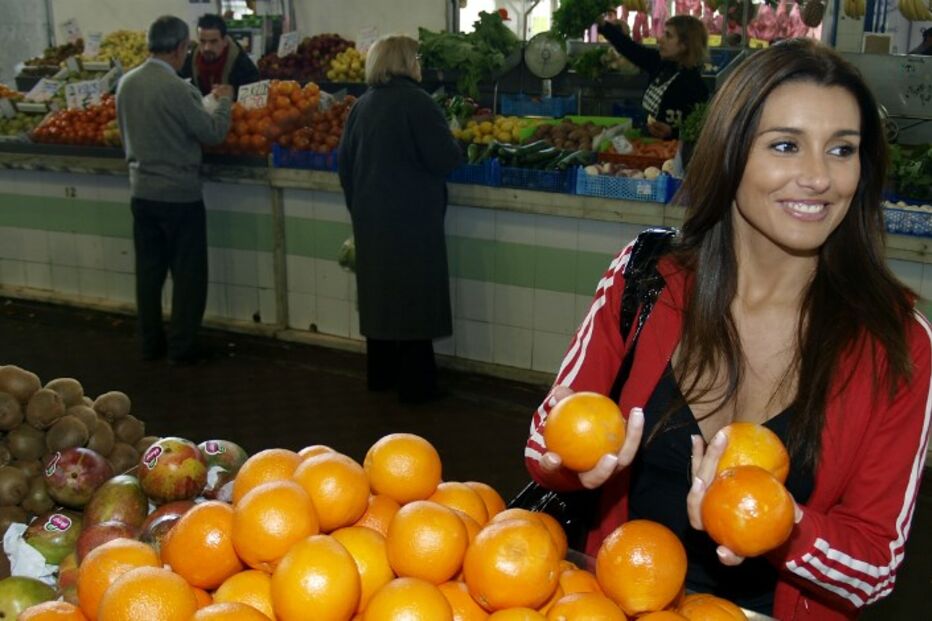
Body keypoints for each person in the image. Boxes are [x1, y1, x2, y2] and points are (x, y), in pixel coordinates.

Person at [524, 39, 931, 620]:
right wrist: (566, 462)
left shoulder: (897, 342)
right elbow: (547, 436)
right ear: (729, 152)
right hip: (619, 602)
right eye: (786, 145)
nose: (819, 177)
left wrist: (782, 523)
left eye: (842, 149)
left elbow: (875, 565)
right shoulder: (646, 276)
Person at [338, 34, 462, 404]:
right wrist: (458, 143)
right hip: (412, 222)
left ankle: (380, 376)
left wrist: (360, 209)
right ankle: (417, 386)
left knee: (380, 300)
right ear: (406, 63)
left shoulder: (362, 105)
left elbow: (344, 166)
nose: (419, 65)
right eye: (416, 59)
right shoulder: (418, 103)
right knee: (414, 303)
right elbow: (444, 158)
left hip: (371, 219)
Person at [116, 16, 233, 365]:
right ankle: (182, 346)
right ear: (181, 47)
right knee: (187, 274)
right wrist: (224, 102)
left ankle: (150, 343)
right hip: (180, 195)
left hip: (141, 191)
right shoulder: (178, 89)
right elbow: (212, 133)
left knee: (149, 274)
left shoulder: (126, 83)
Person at [598, 14, 708, 139]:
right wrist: (603, 26)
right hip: (647, 144)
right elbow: (629, 48)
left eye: (668, 36)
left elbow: (699, 131)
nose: (660, 39)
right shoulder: (659, 63)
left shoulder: (696, 87)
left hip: (670, 150)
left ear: (685, 45)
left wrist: (672, 133)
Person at [179, 13, 260, 98]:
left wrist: (235, 93)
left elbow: (256, 93)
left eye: (213, 42)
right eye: (202, 41)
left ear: (224, 41)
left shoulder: (241, 63)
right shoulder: (192, 59)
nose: (207, 48)